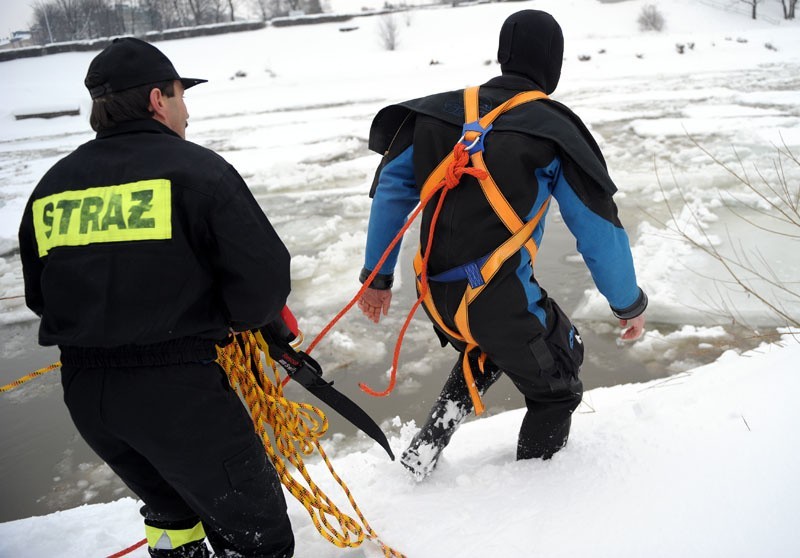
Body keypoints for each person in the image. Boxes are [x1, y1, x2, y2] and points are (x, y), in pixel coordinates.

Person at [18, 38, 294, 557]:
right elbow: (263, 280)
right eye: (180, 95)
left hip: (89, 395)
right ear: (155, 100)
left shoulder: (52, 186)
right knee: (258, 536)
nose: (187, 110)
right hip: (177, 395)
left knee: (170, 508)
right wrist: (234, 323)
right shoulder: (197, 172)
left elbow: (40, 294)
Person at [357, 10, 647, 479]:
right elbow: (596, 227)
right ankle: (532, 493)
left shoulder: (436, 112)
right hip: (497, 297)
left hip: (436, 294)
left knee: (492, 345)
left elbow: (391, 189)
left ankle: (421, 455)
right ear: (552, 63)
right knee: (559, 380)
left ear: (503, 55)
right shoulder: (553, 128)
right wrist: (628, 303)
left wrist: (378, 278)